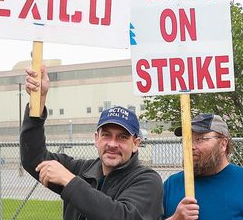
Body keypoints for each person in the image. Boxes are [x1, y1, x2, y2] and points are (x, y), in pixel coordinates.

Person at [20, 66, 163, 220]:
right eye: (106, 135)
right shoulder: (83, 171)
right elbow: (34, 159)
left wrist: (69, 181)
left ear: (135, 143)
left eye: (122, 137)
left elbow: (122, 216)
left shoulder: (147, 180)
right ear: (96, 138)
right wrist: (38, 102)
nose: (112, 144)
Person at [162, 114, 243, 220]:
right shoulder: (172, 185)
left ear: (223, 144)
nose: (191, 146)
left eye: (200, 139)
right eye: (187, 140)